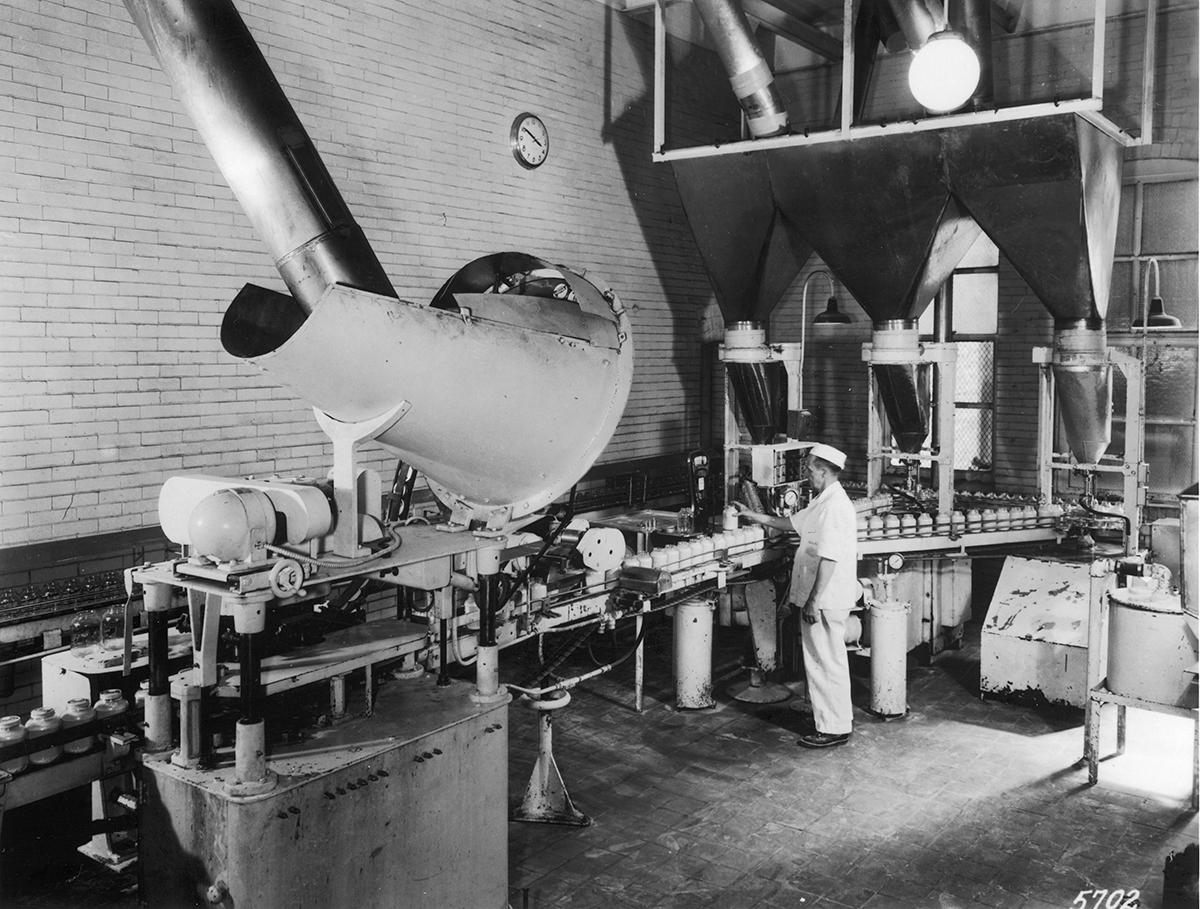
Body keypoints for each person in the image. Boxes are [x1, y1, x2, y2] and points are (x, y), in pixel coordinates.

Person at [735, 443, 858, 749]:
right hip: (820, 597)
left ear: (824, 471)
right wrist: (753, 515)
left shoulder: (834, 507)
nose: (806, 475)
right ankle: (830, 721)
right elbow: (790, 523)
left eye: (810, 469)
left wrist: (814, 600)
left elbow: (829, 559)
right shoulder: (822, 501)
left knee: (825, 662)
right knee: (824, 660)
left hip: (825, 599)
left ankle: (832, 729)